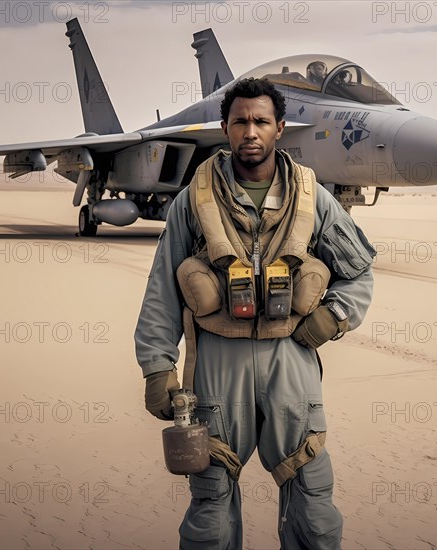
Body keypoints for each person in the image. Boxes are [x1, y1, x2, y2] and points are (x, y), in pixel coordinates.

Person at [135, 77, 375, 549]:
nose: (251, 131)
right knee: (211, 502)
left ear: (279, 128)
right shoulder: (194, 201)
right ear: (224, 128)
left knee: (313, 498)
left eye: (261, 121)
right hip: (217, 364)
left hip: (292, 359)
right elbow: (163, 287)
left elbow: (359, 274)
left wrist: (335, 316)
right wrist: (157, 366)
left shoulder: (311, 198)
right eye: (241, 121)